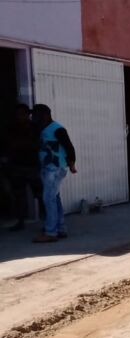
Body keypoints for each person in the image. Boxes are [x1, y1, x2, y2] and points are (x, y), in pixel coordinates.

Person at [31, 104, 76, 243]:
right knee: (54, 198)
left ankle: (51, 232)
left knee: (48, 199)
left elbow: (69, 146)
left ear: (45, 115)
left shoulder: (57, 129)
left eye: (36, 115)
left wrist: (72, 163)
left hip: (55, 169)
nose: (34, 118)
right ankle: (60, 228)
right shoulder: (43, 129)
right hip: (49, 167)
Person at [4, 104, 44, 232]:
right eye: (18, 114)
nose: (20, 117)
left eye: (23, 114)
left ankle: (47, 222)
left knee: (40, 195)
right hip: (17, 166)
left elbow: (37, 144)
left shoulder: (35, 128)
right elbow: (9, 145)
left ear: (28, 115)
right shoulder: (12, 128)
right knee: (19, 196)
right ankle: (20, 221)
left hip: (32, 166)